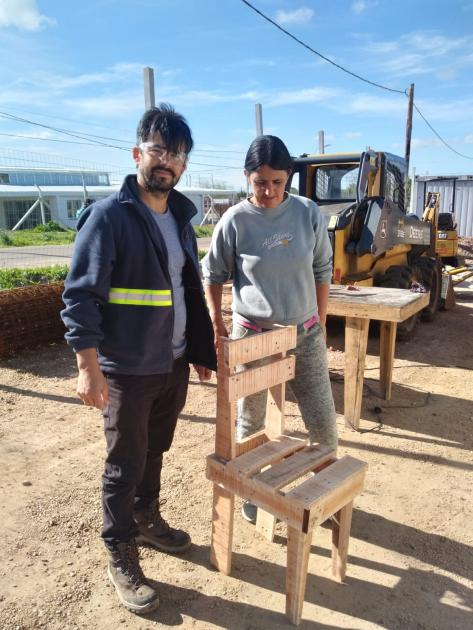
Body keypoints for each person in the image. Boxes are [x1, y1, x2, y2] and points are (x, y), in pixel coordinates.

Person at [61, 104, 216, 614]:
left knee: (155, 451)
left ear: (185, 164)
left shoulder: (180, 217)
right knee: (123, 463)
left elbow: (187, 290)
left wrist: (197, 351)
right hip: (126, 367)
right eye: (158, 149)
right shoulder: (110, 216)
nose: (166, 160)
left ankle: (146, 521)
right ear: (137, 154)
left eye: (176, 152)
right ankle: (119, 548)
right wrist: (87, 366)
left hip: (170, 364)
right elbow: (80, 295)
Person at [201, 135, 338, 523]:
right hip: (255, 338)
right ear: (247, 177)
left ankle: (323, 492)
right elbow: (211, 275)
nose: (268, 191)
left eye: (277, 182)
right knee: (250, 420)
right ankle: (252, 494)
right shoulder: (235, 221)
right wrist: (218, 325)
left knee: (323, 422)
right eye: (260, 182)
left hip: (305, 334)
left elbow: (322, 270)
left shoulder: (308, 214)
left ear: (288, 177)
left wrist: (321, 321)